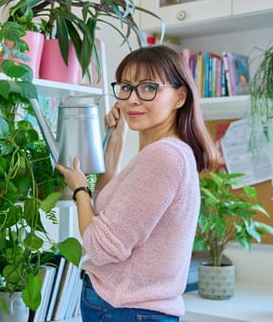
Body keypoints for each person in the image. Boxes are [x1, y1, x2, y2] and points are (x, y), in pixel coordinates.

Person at [55, 45, 219, 322]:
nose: (132, 99)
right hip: (125, 307)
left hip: (125, 310)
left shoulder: (164, 156)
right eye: (126, 87)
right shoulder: (163, 153)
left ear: (180, 96)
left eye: (148, 88)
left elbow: (101, 247)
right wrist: (117, 137)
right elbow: (104, 209)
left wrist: (79, 189)